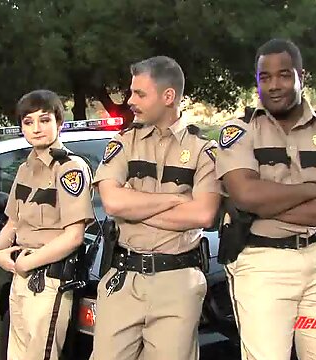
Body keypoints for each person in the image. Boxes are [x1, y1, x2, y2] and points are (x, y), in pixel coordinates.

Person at [216, 38, 316, 360]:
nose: (273, 85)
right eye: (264, 78)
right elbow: (246, 194)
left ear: (301, 77)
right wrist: (314, 189)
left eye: (283, 75)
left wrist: (266, 207)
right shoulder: (240, 133)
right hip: (262, 264)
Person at [91, 55, 222, 360]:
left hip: (177, 282)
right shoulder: (124, 142)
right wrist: (176, 200)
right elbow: (113, 203)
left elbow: (202, 214)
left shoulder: (204, 149)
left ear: (168, 96)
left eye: (139, 94)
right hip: (123, 279)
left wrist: (136, 207)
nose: (130, 100)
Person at [0, 89, 94, 360]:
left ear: (59, 123)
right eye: (28, 122)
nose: (36, 129)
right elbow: (13, 221)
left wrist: (29, 262)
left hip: (48, 279)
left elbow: (74, 236)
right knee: (17, 353)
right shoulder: (25, 169)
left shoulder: (70, 168)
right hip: (20, 275)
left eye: (44, 120)